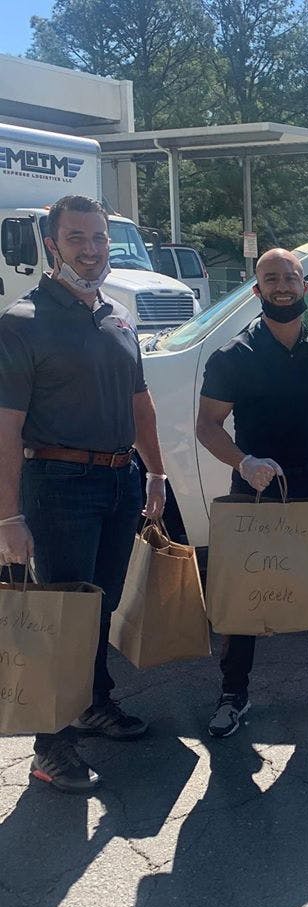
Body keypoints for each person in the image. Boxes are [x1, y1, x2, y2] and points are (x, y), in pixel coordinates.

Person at [0, 194, 167, 794]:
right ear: (52, 245)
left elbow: (139, 403)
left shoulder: (118, 317)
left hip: (120, 481)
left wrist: (155, 472)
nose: (91, 250)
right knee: (62, 618)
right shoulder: (22, 322)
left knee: (98, 606)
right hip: (59, 483)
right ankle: (51, 747)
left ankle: (94, 704)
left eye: (98, 238)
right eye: (77, 238)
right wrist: (8, 516)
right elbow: (6, 429)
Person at [196, 248, 308, 737]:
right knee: (243, 590)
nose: (281, 286)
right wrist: (243, 462)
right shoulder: (234, 356)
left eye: (289, 277)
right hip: (253, 485)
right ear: (257, 291)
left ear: (305, 286)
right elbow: (207, 426)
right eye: (270, 279)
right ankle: (233, 695)